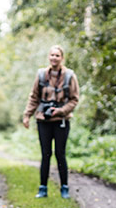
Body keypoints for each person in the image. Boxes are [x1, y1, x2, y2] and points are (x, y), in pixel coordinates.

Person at [21, 45, 80, 199]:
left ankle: (64, 188)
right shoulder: (41, 75)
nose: (54, 58)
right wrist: (27, 115)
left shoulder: (69, 76)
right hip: (43, 121)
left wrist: (60, 111)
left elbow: (74, 99)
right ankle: (43, 188)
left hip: (61, 121)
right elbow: (34, 97)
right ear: (49, 57)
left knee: (60, 154)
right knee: (45, 154)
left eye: (57, 55)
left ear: (62, 58)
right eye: (52, 55)